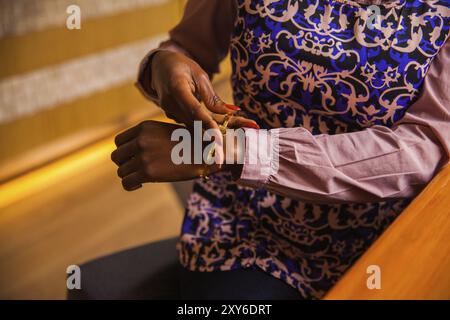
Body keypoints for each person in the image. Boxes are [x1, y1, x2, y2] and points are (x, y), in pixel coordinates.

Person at [111, 0, 450, 299]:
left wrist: (227, 150)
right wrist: (161, 66)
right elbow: (187, 46)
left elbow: (425, 144)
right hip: (247, 231)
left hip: (389, 236)